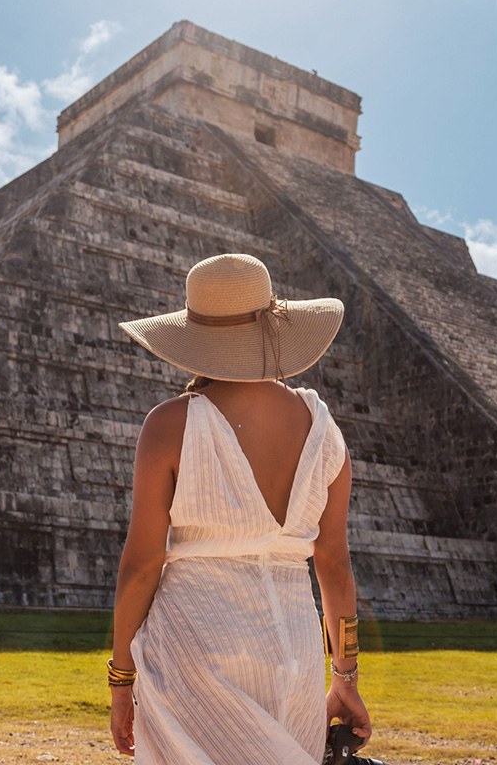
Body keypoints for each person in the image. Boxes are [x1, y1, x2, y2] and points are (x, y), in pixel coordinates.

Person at [109, 253, 373, 764]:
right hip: (293, 654)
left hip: (194, 643)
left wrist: (122, 678)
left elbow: (142, 566)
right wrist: (345, 677)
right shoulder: (325, 433)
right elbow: (335, 569)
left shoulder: (168, 425)